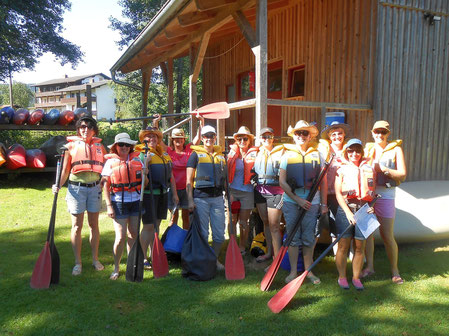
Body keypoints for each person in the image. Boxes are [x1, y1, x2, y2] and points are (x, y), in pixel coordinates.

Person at [53, 116, 106, 276]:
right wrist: (58, 185)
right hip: (76, 189)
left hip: (94, 189)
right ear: (78, 129)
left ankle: (95, 259)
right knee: (77, 226)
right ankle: (78, 263)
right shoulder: (70, 147)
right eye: (82, 127)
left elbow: (106, 167)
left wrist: (104, 180)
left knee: (94, 225)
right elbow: (65, 170)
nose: (85, 130)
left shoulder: (100, 147)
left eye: (89, 127)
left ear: (94, 130)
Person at [279, 120, 327, 284]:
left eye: (305, 133)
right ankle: (293, 272)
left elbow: (323, 182)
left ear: (310, 136)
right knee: (293, 237)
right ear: (294, 136)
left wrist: (324, 204)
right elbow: (282, 182)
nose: (301, 136)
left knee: (308, 238)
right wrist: (297, 200)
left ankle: (308, 271)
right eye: (298, 133)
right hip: (292, 202)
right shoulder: (286, 155)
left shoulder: (318, 155)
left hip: (312, 203)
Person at [362, 120, 407, 284]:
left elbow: (402, 174)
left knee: (387, 235)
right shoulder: (368, 149)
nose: (379, 135)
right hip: (368, 196)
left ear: (388, 133)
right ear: (372, 133)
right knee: (368, 234)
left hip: (386, 195)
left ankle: (395, 271)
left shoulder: (396, 149)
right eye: (377, 132)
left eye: (383, 132)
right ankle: (369, 267)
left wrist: (383, 169)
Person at [334, 138, 376, 290]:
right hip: (346, 210)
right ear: (346, 152)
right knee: (343, 247)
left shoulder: (368, 169)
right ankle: (342, 277)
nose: (354, 153)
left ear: (361, 152)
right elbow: (338, 194)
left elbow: (372, 193)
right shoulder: (342, 170)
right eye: (351, 150)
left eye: (358, 150)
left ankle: (356, 278)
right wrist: (348, 213)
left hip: (363, 210)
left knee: (360, 247)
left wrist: (371, 207)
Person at [102, 133, 144, 280]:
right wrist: (109, 206)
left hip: (135, 201)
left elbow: (146, 182)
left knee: (133, 235)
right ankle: (116, 267)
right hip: (119, 202)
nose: (124, 147)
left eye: (127, 145)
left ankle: (132, 264)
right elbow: (105, 187)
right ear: (115, 147)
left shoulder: (138, 160)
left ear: (131, 146)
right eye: (121, 145)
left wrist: (146, 174)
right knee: (120, 237)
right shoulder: (110, 163)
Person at [152, 114, 204, 230]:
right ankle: (172, 241)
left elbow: (198, 137)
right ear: (172, 140)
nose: (179, 140)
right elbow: (158, 138)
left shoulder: (189, 149)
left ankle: (184, 240)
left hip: (187, 189)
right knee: (173, 216)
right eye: (176, 139)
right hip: (172, 188)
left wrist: (201, 122)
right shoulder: (168, 151)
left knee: (186, 217)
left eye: (181, 138)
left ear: (184, 140)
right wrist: (156, 123)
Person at [137, 126, 178, 269]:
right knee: (148, 226)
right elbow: (141, 177)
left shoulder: (164, 155)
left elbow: (171, 176)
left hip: (163, 194)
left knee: (156, 225)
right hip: (149, 195)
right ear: (143, 140)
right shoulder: (142, 154)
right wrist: (146, 162)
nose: (152, 139)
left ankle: (154, 254)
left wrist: (174, 194)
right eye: (148, 137)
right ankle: (142, 257)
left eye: (154, 136)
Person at [186, 125, 226, 270]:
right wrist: (190, 199)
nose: (209, 138)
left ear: (215, 137)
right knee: (203, 233)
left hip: (217, 198)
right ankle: (203, 261)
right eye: (206, 136)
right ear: (202, 138)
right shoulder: (195, 155)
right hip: (200, 198)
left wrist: (229, 196)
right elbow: (189, 180)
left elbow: (225, 179)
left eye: (211, 135)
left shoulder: (221, 156)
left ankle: (213, 260)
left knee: (219, 235)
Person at [253, 127, 285, 262]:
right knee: (266, 222)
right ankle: (269, 252)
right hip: (260, 190)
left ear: (273, 138)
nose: (267, 139)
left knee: (274, 225)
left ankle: (276, 260)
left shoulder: (282, 152)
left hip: (276, 191)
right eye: (264, 137)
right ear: (260, 139)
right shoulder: (256, 153)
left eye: (269, 136)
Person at [318, 121, 351, 248]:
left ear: (344, 135)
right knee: (334, 227)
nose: (337, 136)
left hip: (347, 194)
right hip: (329, 194)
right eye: (333, 134)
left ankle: (352, 254)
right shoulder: (323, 150)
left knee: (349, 223)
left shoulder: (349, 150)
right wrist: (323, 202)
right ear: (329, 137)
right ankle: (338, 254)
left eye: (340, 133)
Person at [227, 126, 258, 254]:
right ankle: (232, 244)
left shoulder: (256, 154)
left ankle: (242, 247)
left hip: (247, 192)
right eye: (239, 139)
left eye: (245, 139)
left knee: (244, 221)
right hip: (233, 191)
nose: (242, 141)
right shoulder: (231, 154)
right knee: (232, 219)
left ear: (249, 140)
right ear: (236, 140)